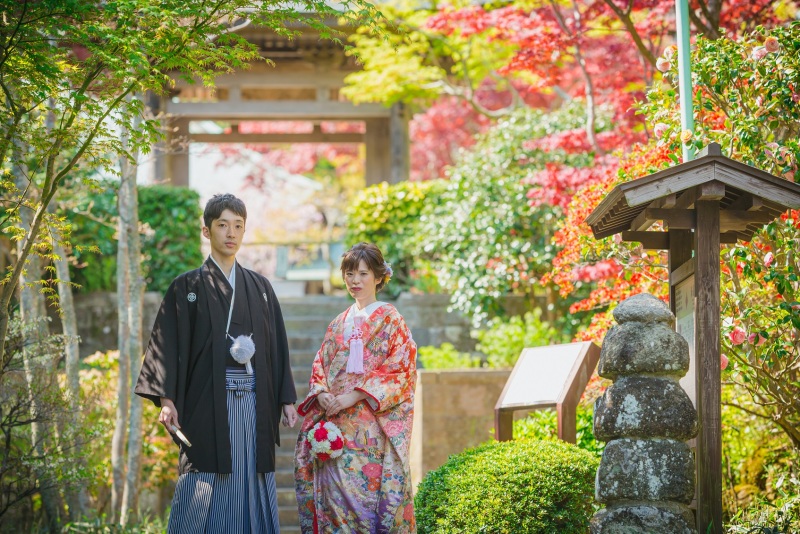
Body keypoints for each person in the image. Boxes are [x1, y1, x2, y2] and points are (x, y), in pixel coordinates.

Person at [135, 193, 298, 534]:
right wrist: (166, 400)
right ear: (207, 231)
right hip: (206, 403)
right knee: (205, 471)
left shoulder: (261, 287)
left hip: (254, 402)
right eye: (222, 225)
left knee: (251, 472)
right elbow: (167, 346)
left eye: (238, 225)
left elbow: (277, 345)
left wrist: (286, 398)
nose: (231, 233)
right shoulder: (186, 286)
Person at [294, 242, 418, 533]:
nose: (355, 280)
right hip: (335, 428)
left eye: (363, 274)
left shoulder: (391, 320)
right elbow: (320, 364)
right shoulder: (338, 323)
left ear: (378, 277)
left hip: (370, 428)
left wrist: (356, 394)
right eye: (349, 274)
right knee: (334, 504)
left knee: (367, 500)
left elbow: (400, 368)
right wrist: (322, 393)